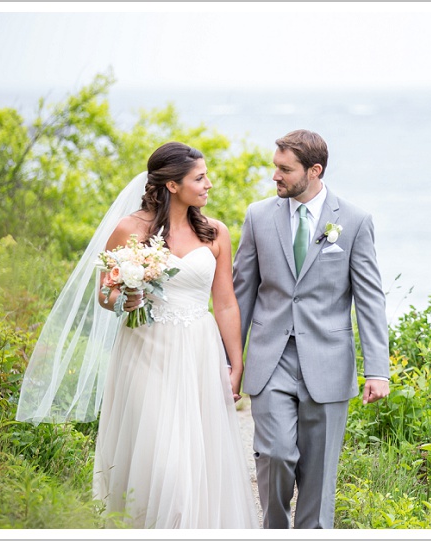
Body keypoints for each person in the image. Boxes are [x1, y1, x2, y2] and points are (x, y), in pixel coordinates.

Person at [16, 142, 259, 529]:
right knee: (160, 457)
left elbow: (226, 302)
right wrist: (125, 299)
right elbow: (104, 293)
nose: (209, 184)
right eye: (200, 178)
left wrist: (236, 362)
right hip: (145, 348)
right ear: (173, 185)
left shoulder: (216, 233)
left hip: (198, 349)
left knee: (198, 451)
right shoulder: (130, 230)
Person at [232, 129, 390, 529]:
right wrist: (229, 361)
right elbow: (241, 294)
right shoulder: (258, 216)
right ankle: (273, 528)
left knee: (319, 476)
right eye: (275, 167)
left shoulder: (354, 222)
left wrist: (377, 369)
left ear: (314, 170)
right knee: (276, 453)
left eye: (285, 170)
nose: (275, 177)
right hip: (270, 360)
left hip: (329, 362)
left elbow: (370, 298)